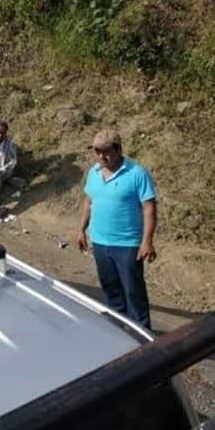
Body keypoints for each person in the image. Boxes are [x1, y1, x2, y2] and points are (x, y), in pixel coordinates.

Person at [75, 129, 157, 329]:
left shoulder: (137, 174)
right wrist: (81, 229)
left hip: (127, 245)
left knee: (133, 292)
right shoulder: (93, 173)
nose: (101, 156)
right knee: (111, 290)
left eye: (106, 151)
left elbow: (149, 208)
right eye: (97, 151)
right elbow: (88, 201)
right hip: (100, 243)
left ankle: (142, 336)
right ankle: (120, 329)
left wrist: (147, 241)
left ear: (119, 149)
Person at [0, 120, 18, 190]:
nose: (0, 135)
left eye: (2, 133)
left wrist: (1, 170)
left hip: (1, 173)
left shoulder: (10, 144)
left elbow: (13, 161)